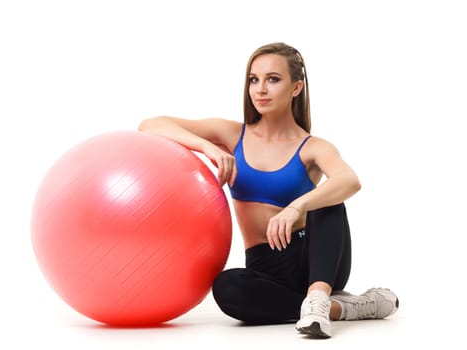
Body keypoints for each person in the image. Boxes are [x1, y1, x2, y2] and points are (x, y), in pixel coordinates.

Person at [138, 42, 398, 338]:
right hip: (265, 267)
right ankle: (342, 308)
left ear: (296, 87)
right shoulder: (232, 134)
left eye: (273, 79)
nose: (260, 89)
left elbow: (349, 180)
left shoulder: (313, 147)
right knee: (226, 287)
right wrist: (207, 147)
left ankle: (318, 297)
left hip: (316, 261)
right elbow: (151, 125)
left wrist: (297, 206)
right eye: (254, 79)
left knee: (329, 200)